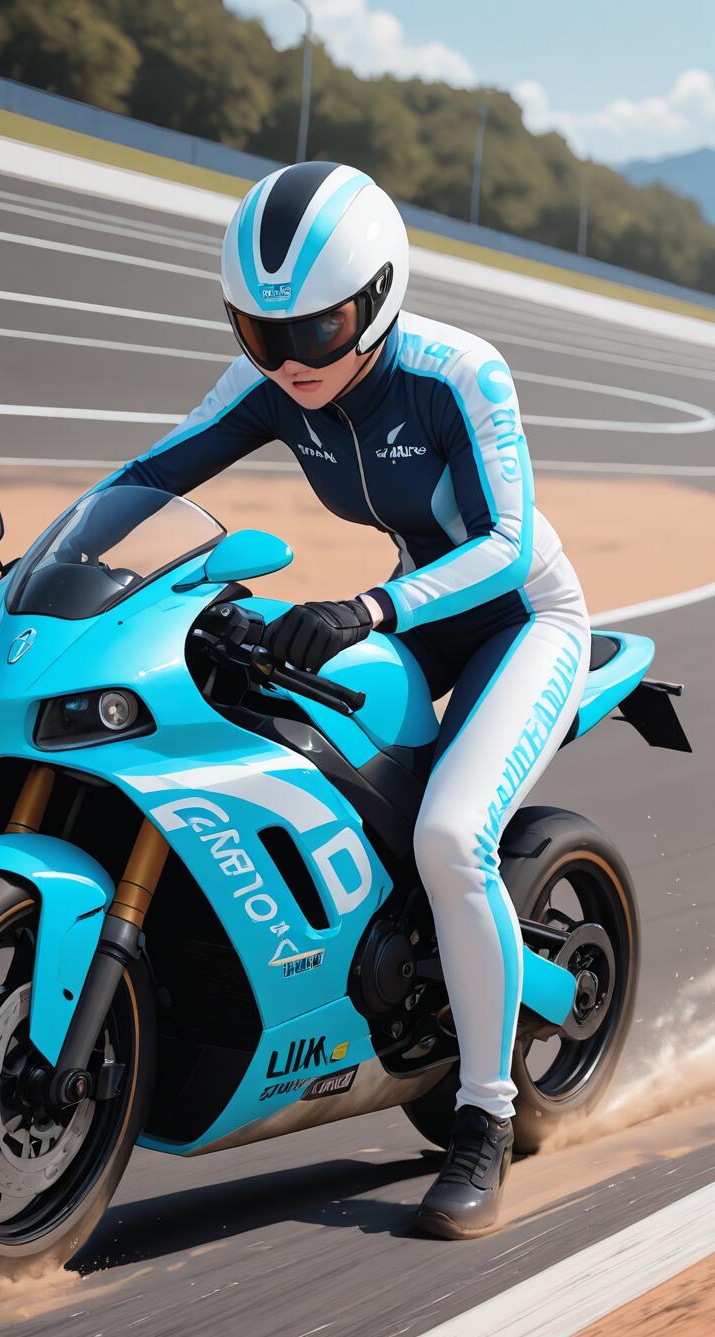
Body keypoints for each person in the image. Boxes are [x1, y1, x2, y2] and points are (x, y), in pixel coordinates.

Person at [98, 161, 591, 1238]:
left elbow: (505, 546)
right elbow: (152, 473)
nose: (285, 360)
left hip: (521, 616)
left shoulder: (459, 373)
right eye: (255, 331)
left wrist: (369, 605)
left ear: (376, 301)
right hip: (407, 611)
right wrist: (61, 569)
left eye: (315, 331)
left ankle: (483, 1119)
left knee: (452, 835)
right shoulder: (275, 377)